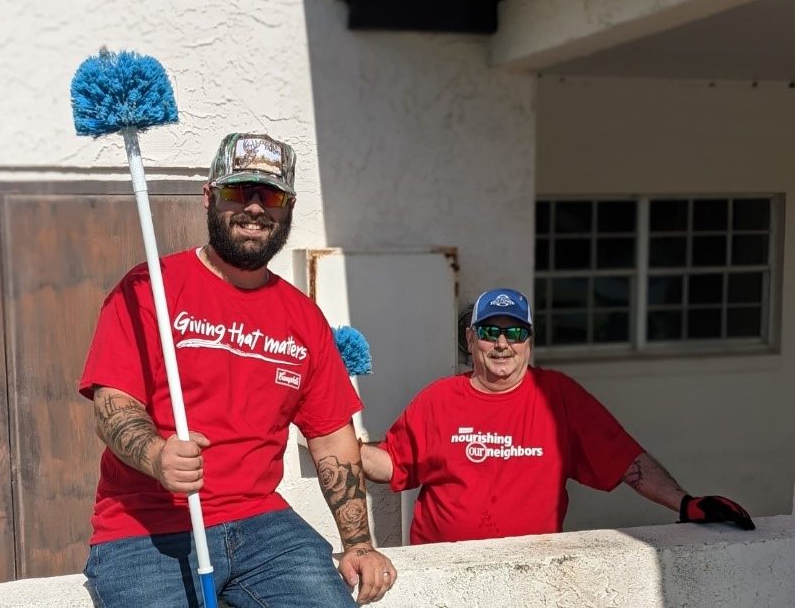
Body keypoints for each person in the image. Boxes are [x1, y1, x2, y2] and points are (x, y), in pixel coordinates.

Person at [79, 133, 396, 606]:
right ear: (210, 197)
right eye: (237, 192)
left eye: (269, 195)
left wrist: (358, 544)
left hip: (263, 525)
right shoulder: (151, 287)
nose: (253, 207)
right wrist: (156, 456)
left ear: (287, 207)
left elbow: (331, 435)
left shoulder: (303, 318)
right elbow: (112, 404)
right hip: (149, 529)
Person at [361, 287, 755, 545]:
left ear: (529, 339)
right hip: (444, 576)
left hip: (532, 573)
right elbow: (392, 462)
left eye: (515, 333)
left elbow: (624, 460)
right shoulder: (438, 399)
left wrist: (684, 503)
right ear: (470, 339)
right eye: (489, 332)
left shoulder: (558, 397)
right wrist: (336, 437)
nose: (502, 344)